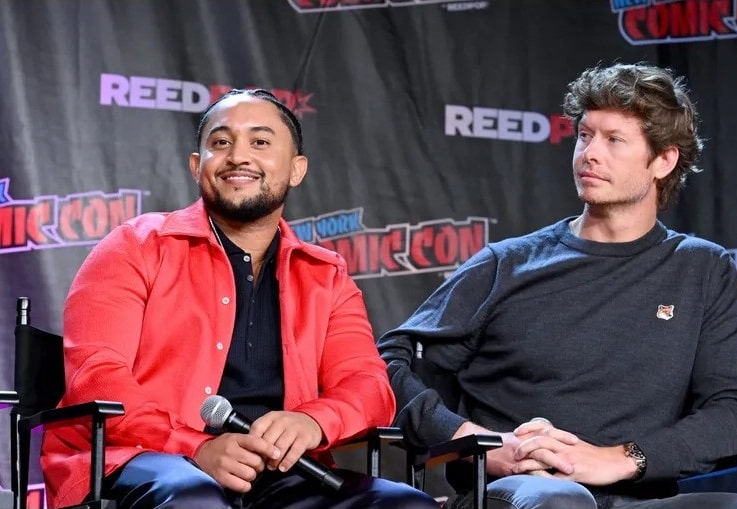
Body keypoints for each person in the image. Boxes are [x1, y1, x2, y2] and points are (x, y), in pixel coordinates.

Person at [377, 62, 737, 509]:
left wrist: (621, 458)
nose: (589, 154)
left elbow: (735, 411)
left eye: (614, 139)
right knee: (560, 500)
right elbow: (386, 364)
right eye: (584, 135)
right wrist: (471, 438)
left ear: (664, 159)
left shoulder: (701, 268)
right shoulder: (510, 263)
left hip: (641, 498)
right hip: (525, 489)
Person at [40, 89, 440, 509]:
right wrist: (195, 447)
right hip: (141, 460)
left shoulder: (327, 275)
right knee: (195, 498)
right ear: (198, 166)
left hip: (279, 474)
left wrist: (312, 421)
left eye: (261, 142)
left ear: (296, 169)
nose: (238, 156)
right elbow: (97, 376)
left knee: (407, 505)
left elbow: (369, 386)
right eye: (220, 142)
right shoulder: (136, 246)